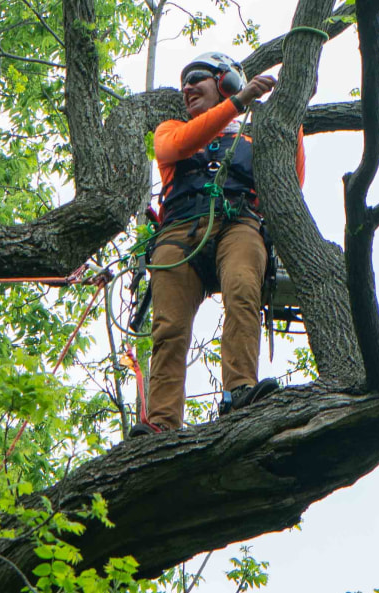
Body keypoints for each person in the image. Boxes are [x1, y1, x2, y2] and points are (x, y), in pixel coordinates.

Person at [129, 51, 306, 438]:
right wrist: (237, 104)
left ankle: (239, 390)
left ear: (226, 80)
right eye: (184, 83)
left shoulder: (257, 134)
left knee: (243, 290)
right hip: (179, 232)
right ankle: (161, 421)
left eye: (197, 77)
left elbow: (291, 179)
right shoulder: (171, 128)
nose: (188, 87)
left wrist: (285, 119)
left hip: (238, 223)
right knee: (169, 326)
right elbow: (173, 148)